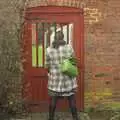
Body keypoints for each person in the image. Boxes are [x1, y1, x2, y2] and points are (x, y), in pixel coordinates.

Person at [45, 31, 79, 120]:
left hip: (55, 80)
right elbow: (73, 62)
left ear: (54, 38)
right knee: (72, 99)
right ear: (63, 38)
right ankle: (75, 118)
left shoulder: (48, 50)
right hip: (68, 80)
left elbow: (47, 65)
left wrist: (51, 72)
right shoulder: (69, 48)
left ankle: (50, 118)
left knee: (53, 100)